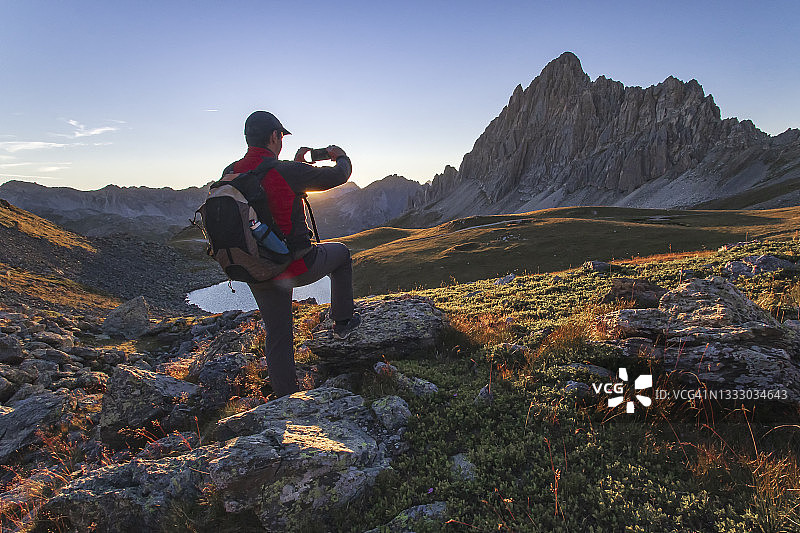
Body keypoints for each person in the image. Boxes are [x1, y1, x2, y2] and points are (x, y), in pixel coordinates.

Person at [222, 110, 361, 397]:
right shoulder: (285, 171)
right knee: (341, 254)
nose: (282, 142)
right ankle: (343, 322)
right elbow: (339, 175)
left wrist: (296, 168)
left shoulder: (231, 172)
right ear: (274, 136)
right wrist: (340, 155)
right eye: (281, 136)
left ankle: (285, 399)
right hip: (294, 265)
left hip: (256, 269)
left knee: (278, 335)